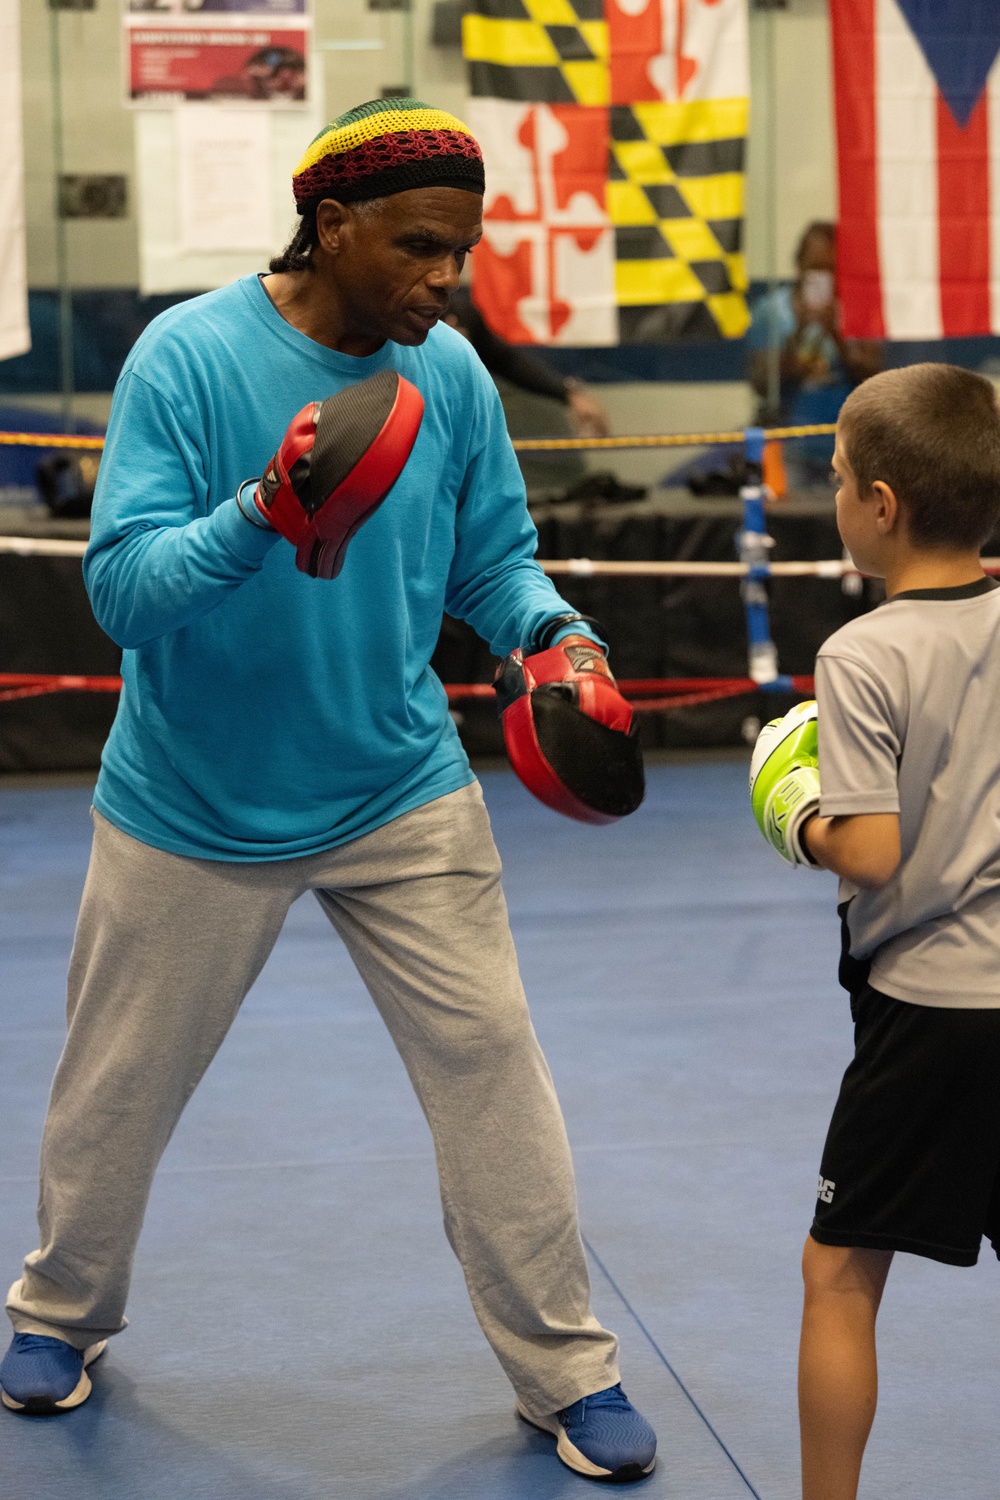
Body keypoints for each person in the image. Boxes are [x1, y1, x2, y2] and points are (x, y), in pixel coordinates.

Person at [0, 99, 657, 1483]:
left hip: (398, 786)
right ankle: (61, 1313)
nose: (444, 276)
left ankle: (567, 1370)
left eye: (460, 251)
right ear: (332, 223)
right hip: (193, 798)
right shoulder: (186, 358)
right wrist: (260, 513)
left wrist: (558, 633)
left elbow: (494, 565)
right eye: (419, 246)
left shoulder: (457, 376)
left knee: (495, 1075)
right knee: (113, 1091)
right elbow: (119, 593)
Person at [749, 362, 1000, 1500]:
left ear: (879, 505)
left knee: (839, 1274)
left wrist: (793, 813)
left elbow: (871, 852)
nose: (837, 493)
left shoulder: (865, 653)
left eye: (839, 476)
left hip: (931, 1013)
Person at [747, 222, 883, 489]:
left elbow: (875, 378)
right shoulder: (771, 312)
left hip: (849, 448)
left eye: (830, 269)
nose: (823, 276)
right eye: (815, 268)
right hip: (790, 444)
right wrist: (799, 330)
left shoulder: (859, 310)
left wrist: (836, 333)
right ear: (799, 264)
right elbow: (762, 384)